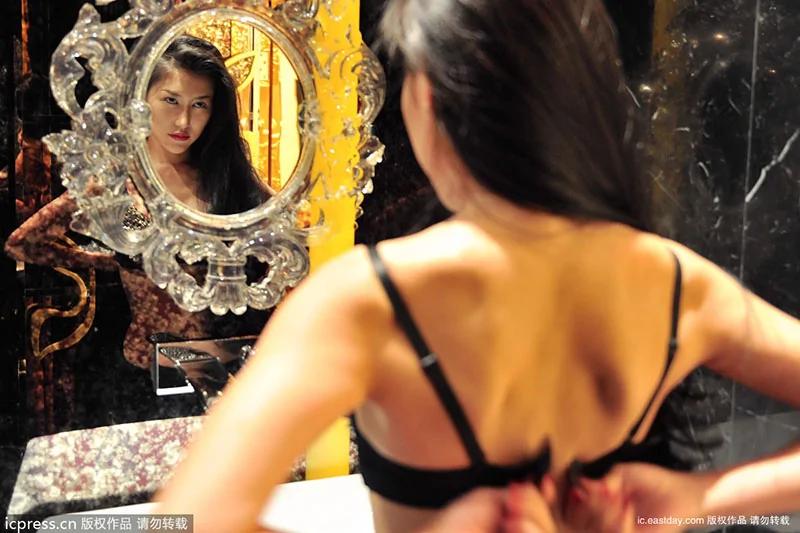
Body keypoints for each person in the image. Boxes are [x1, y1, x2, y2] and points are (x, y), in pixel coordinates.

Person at [153, 1, 800, 532]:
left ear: (427, 98)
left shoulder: (370, 302)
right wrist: (690, 501)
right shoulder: (674, 283)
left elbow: (186, 519)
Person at [5, 35, 269, 369]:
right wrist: (102, 260)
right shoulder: (117, 184)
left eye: (200, 104)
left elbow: (286, 236)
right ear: (142, 100)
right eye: (171, 100)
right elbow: (22, 243)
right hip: (147, 367)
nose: (184, 121)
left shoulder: (227, 177)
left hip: (229, 363)